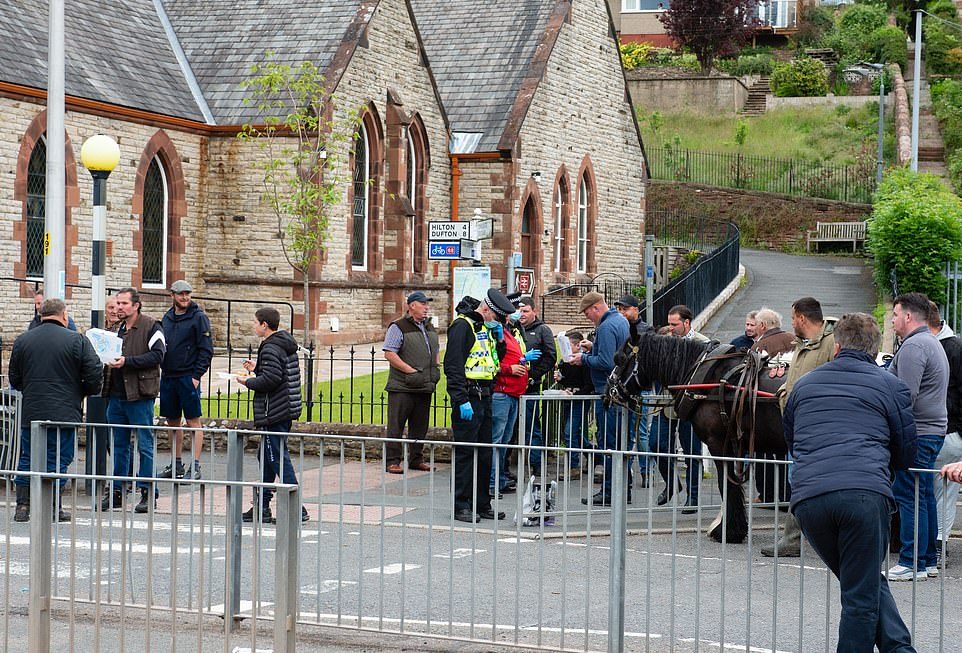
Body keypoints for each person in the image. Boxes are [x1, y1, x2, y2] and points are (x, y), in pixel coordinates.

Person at [784, 312, 917, 653]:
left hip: (810, 498)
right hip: (863, 494)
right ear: (875, 350)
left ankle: (900, 648)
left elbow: (793, 439)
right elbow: (906, 451)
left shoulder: (805, 384)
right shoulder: (891, 385)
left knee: (863, 581)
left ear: (837, 346)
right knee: (861, 592)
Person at [10, 298, 102, 522]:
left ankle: (23, 506)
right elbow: (94, 373)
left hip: (32, 412)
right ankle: (53, 506)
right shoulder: (77, 340)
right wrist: (81, 391)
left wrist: (31, 389)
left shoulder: (23, 340)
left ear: (42, 315)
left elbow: (15, 378)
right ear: (64, 315)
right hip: (64, 411)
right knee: (59, 458)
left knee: (28, 457)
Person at [762, 296, 836, 557]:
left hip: (819, 428)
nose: (791, 322)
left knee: (810, 481)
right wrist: (783, 394)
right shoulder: (803, 344)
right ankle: (796, 538)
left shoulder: (830, 343)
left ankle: (795, 538)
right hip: (799, 427)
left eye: (792, 317)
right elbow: (793, 380)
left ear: (801, 318)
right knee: (798, 480)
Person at [887, 292, 949, 581]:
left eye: (895, 314)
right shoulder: (931, 342)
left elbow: (904, 396)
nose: (892, 320)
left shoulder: (914, 347)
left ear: (909, 317)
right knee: (922, 494)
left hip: (919, 432)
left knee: (910, 496)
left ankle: (912, 561)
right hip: (932, 430)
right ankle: (926, 561)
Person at [443, 289, 516, 523]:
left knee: (485, 453)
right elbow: (453, 366)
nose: (499, 323)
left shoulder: (486, 327)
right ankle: (461, 505)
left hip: (485, 395)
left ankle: (482, 503)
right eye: (497, 318)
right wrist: (461, 399)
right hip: (468, 396)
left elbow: (494, 358)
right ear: (486, 309)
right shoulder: (462, 326)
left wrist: (500, 339)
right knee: (466, 453)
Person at [235, 307, 309, 523]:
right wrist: (258, 367)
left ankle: (297, 509)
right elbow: (279, 372)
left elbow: (271, 380)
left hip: (273, 410)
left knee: (276, 457)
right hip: (285, 407)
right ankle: (262, 507)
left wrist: (246, 381)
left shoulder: (270, 348)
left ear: (264, 325)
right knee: (266, 456)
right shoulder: (283, 344)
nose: (253, 325)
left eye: (255, 322)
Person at [101, 288, 166, 514]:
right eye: (117, 303)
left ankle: (148, 493)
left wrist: (127, 361)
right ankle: (117, 492)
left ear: (136, 305)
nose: (119, 307)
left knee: (145, 446)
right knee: (118, 446)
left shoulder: (152, 326)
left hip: (139, 395)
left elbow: (158, 356)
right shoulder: (117, 329)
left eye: (124, 303)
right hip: (116, 396)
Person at [570, 292, 630, 506]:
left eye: (587, 313)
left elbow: (606, 362)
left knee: (608, 444)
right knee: (619, 443)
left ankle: (608, 492)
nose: (587, 317)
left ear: (596, 308)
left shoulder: (605, 327)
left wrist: (583, 358)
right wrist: (592, 347)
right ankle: (623, 490)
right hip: (619, 389)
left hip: (607, 391)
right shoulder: (620, 321)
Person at [651, 304, 708, 513]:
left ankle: (693, 497)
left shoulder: (702, 344)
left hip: (691, 407)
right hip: (665, 403)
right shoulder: (666, 341)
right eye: (669, 323)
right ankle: (672, 482)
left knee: (692, 452)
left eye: (675, 324)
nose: (671, 328)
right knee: (655, 444)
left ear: (687, 323)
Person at [158, 280, 213, 481]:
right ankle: (176, 463)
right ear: (172, 295)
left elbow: (206, 349)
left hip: (188, 376)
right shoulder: (167, 318)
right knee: (172, 422)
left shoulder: (199, 318)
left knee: (193, 421)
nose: (185, 297)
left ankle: (196, 465)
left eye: (187, 294)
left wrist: (197, 375)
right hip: (169, 376)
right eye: (181, 294)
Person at [382, 291, 440, 474]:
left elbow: (435, 349)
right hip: (402, 386)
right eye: (423, 304)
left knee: (420, 426)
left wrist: (436, 365)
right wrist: (410, 371)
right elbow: (389, 353)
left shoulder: (429, 327)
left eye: (427, 304)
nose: (426, 307)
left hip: (424, 385)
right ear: (412, 305)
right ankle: (392, 461)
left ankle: (416, 459)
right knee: (396, 426)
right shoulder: (398, 326)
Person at [928, 302, 962, 553]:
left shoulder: (952, 349)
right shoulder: (950, 347)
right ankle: (936, 542)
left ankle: (938, 542)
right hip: (946, 430)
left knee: (943, 489)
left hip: (949, 431)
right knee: (941, 491)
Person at [490, 310, 533, 496]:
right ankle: (492, 482)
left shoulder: (509, 332)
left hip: (513, 394)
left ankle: (499, 480)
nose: (514, 316)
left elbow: (511, 357)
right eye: (510, 313)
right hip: (502, 393)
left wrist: (523, 360)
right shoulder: (497, 333)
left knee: (504, 442)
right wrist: (509, 369)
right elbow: (491, 362)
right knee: (497, 441)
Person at [613, 293, 655, 486]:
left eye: (625, 309)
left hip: (641, 389)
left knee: (640, 433)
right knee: (629, 433)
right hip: (626, 388)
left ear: (636, 310)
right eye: (619, 309)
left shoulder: (645, 330)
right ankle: (627, 473)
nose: (622, 313)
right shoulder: (624, 329)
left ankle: (647, 472)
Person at [516, 296, 552, 477]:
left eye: (525, 311)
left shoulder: (542, 330)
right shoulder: (514, 329)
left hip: (530, 386)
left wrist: (533, 375)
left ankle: (537, 465)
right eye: (519, 311)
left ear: (534, 312)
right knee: (511, 427)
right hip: (512, 386)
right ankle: (507, 467)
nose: (521, 315)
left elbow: (550, 357)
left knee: (531, 427)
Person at [554, 331, 594, 478]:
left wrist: (575, 395)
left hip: (580, 399)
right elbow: (567, 380)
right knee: (576, 434)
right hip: (568, 399)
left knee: (570, 431)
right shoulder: (565, 362)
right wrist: (560, 379)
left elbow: (589, 384)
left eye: (568, 346)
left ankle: (574, 466)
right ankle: (595, 455)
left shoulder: (585, 363)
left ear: (578, 346)